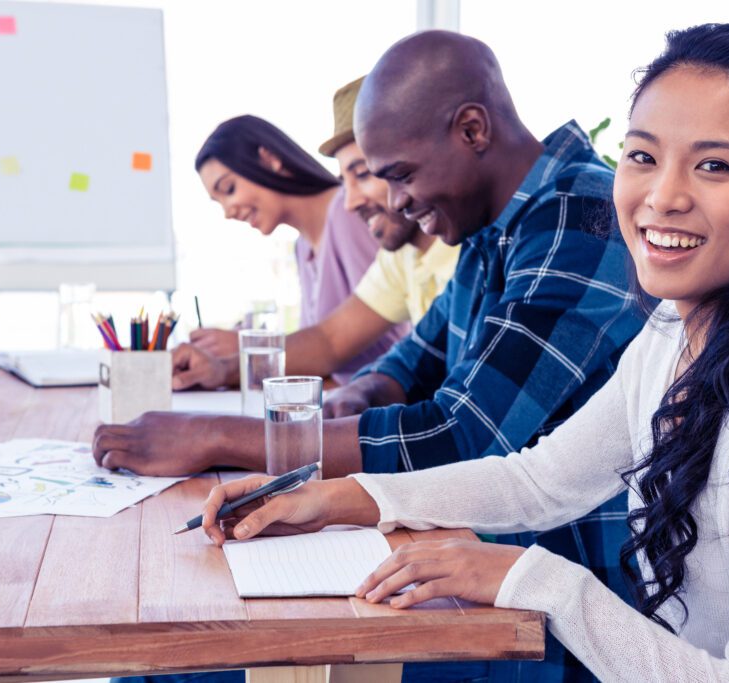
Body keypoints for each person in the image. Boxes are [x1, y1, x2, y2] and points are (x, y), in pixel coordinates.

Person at [199, 23, 729, 681]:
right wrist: (335, 499)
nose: (661, 197)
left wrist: (534, 579)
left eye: (715, 166)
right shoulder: (678, 332)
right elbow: (541, 480)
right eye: (642, 156)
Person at [95, 31, 642, 681]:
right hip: (489, 567)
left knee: (175, 662)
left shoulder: (579, 217)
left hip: (564, 621)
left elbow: (464, 432)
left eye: (400, 175)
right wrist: (354, 398)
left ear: (472, 130)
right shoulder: (495, 230)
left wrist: (218, 432)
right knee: (171, 649)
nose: (393, 200)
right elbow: (411, 364)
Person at [172, 77, 460, 392]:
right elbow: (330, 339)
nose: (351, 201)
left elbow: (373, 352)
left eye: (229, 189)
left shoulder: (356, 219)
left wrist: (243, 355)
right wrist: (227, 366)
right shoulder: (400, 253)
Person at [190, 115, 406, 384]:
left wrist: (246, 351)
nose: (227, 211)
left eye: (229, 189)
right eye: (218, 201)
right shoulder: (302, 247)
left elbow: (391, 338)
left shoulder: (348, 213)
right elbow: (324, 346)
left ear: (269, 159)